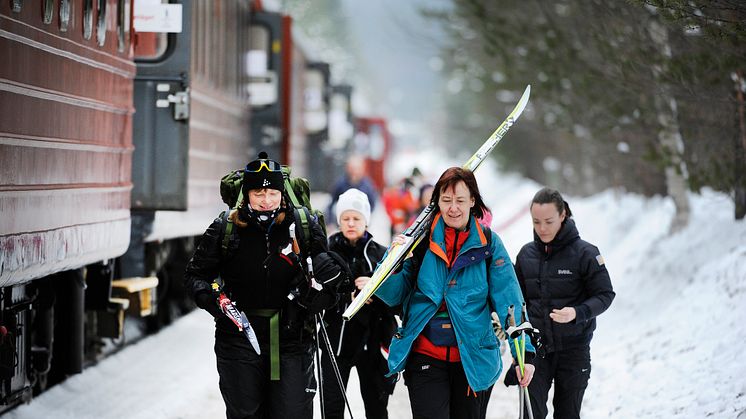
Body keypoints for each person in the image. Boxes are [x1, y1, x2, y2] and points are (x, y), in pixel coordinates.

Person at [184, 152, 349, 419]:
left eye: (272, 193)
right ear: (246, 195)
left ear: (282, 194)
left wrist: (320, 296)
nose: (266, 200)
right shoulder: (225, 228)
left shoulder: (304, 225)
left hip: (293, 338)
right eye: (258, 193)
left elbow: (327, 280)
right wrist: (216, 303)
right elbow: (195, 276)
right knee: (245, 413)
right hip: (238, 338)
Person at [374, 167, 535, 419]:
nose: (453, 208)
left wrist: (523, 352)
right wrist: (391, 262)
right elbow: (392, 295)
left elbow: (510, 302)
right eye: (446, 201)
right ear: (436, 202)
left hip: (473, 357)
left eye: (460, 200)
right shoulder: (419, 243)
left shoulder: (489, 244)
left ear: (473, 201)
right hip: (426, 354)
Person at [512, 187, 615, 419]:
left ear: (563, 215)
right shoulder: (525, 255)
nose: (542, 228)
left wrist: (577, 313)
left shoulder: (586, 253)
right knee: (530, 414)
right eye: (536, 222)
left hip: (574, 349)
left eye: (548, 221)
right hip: (535, 351)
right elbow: (518, 302)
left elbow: (605, 295)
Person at [320, 188, 397, 419]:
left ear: (366, 220)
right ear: (338, 220)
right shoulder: (326, 250)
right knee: (332, 407)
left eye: (356, 218)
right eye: (345, 218)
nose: (351, 223)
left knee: (376, 406)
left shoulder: (381, 254)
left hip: (372, 342)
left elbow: (397, 300)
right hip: (336, 342)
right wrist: (346, 294)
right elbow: (315, 295)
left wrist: (377, 290)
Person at [328, 155, 378, 226]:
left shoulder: (368, 185)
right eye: (352, 168)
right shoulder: (340, 184)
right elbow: (331, 203)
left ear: (362, 169)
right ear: (347, 168)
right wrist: (330, 222)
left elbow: (372, 204)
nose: (355, 171)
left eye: (357, 168)